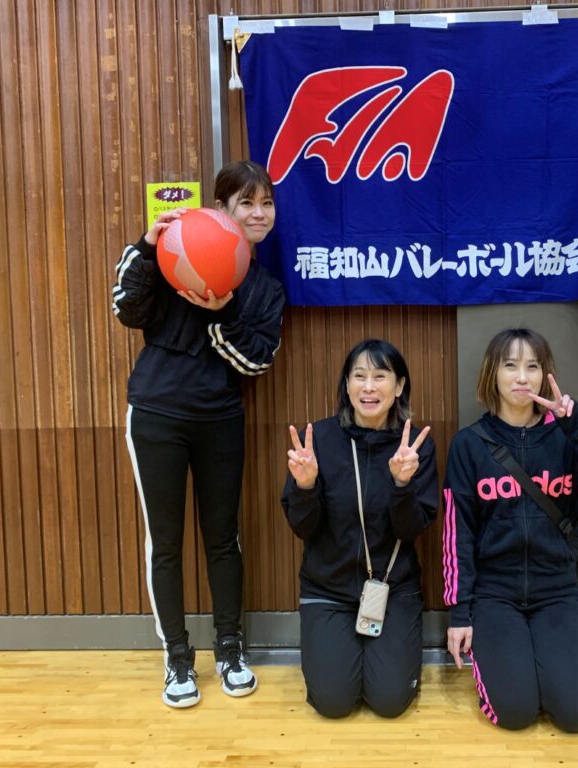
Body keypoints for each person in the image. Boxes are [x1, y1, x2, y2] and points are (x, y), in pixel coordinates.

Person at [112, 160, 285, 708]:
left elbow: (255, 363)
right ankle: (177, 658)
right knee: (165, 542)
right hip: (156, 415)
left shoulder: (265, 289)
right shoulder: (171, 257)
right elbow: (126, 309)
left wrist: (224, 312)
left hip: (220, 418)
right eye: (246, 203)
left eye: (267, 203)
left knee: (222, 538)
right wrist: (147, 247)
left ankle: (230, 650)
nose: (258, 213)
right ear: (221, 210)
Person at [442, 328, 578, 732]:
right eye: (510, 365)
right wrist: (460, 613)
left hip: (557, 592)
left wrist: (576, 424)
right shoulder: (469, 445)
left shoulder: (568, 439)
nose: (522, 377)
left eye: (532, 366)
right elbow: (456, 534)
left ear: (545, 374)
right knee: (514, 713)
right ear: (492, 374)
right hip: (494, 596)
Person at [282, 339, 438, 719]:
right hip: (328, 588)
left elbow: (411, 530)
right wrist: (305, 486)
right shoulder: (319, 441)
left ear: (399, 386)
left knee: (390, 702)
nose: (369, 387)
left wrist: (401, 484)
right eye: (359, 376)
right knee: (332, 703)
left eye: (380, 376)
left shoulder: (415, 447)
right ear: (347, 385)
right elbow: (303, 528)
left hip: (392, 588)